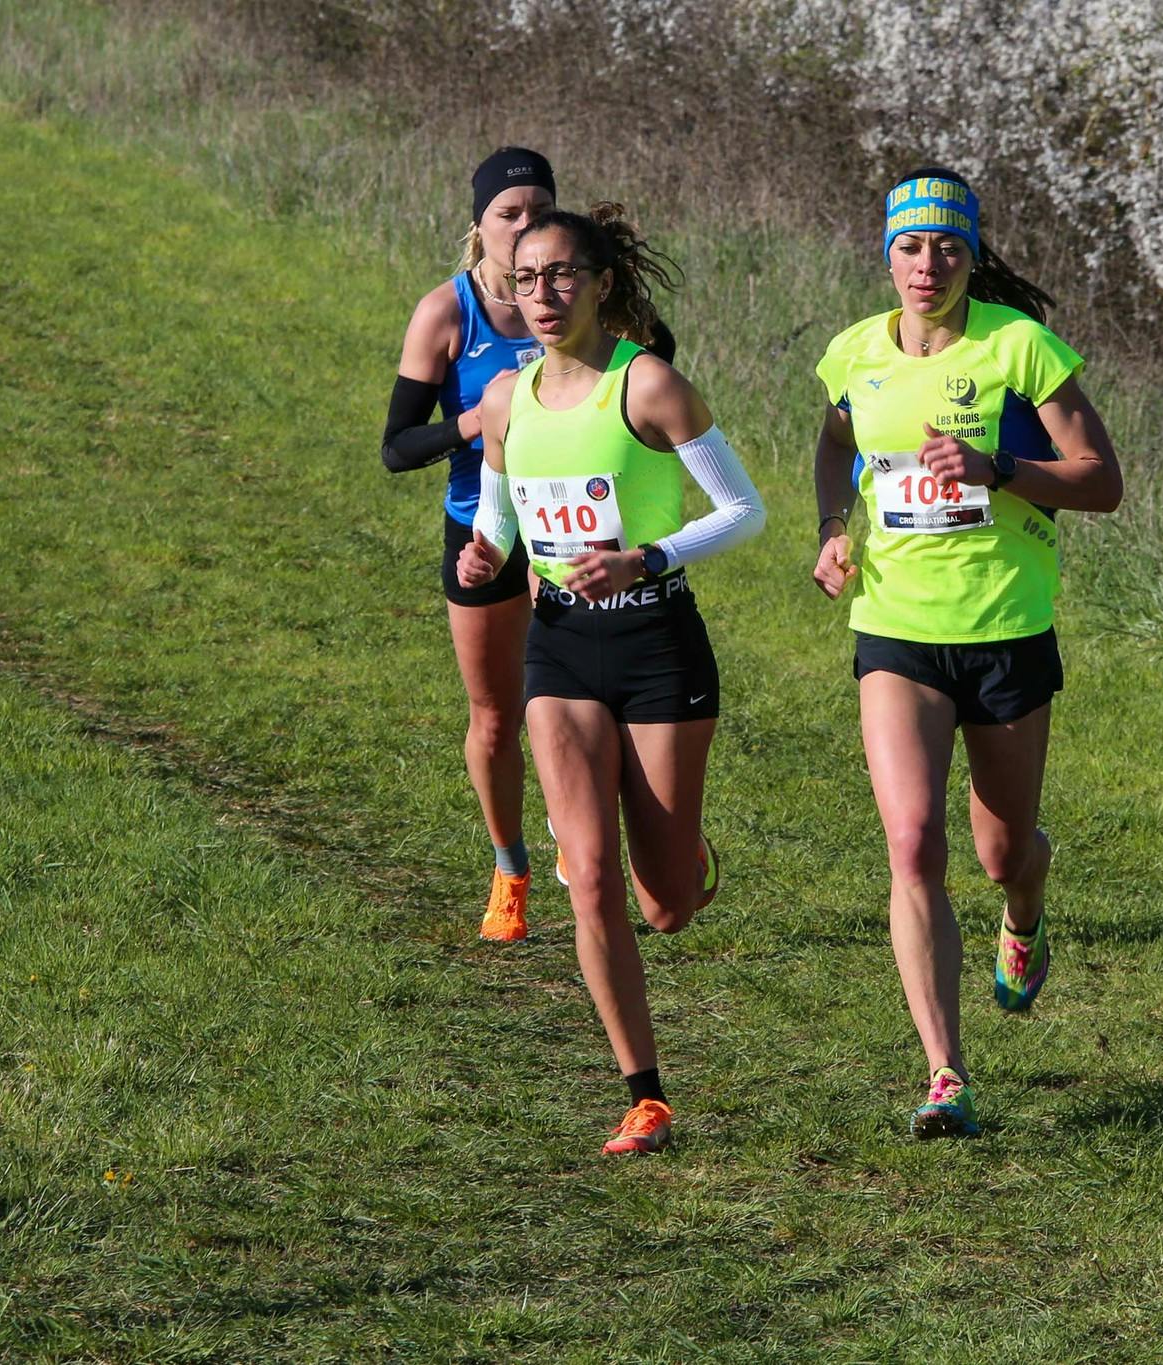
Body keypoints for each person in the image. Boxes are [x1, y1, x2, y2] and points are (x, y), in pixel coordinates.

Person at [810, 167, 1123, 1139]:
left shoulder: (1018, 347)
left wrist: (999, 470)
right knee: (911, 845)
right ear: (884, 254)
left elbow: (1101, 482)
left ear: (970, 252)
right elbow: (834, 444)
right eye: (908, 245)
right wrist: (833, 526)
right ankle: (944, 1072)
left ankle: (1024, 912)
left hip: (1002, 630)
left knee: (998, 852)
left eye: (945, 245)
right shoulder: (853, 354)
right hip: (894, 628)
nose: (925, 263)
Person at [458, 204, 764, 1154]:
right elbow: (507, 517)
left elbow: (744, 512)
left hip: (659, 647)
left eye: (560, 277)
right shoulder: (507, 400)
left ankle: (684, 858)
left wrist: (648, 557)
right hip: (561, 651)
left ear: (598, 284)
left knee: (664, 904)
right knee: (588, 878)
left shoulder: (651, 387)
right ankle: (645, 1095)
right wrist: (484, 552)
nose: (541, 295)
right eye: (524, 279)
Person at [382, 147, 557, 943]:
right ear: (478, 224)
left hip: (573, 523)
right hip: (483, 530)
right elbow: (395, 446)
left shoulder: (577, 297)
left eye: (536, 211)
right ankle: (509, 866)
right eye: (507, 214)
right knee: (496, 716)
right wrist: (475, 420)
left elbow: (649, 362)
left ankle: (597, 842)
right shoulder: (446, 314)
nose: (523, 228)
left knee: (586, 701)